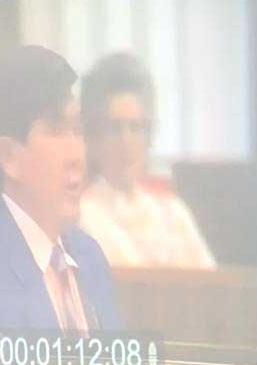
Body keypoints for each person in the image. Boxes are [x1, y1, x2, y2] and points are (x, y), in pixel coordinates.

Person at [0, 45, 122, 365]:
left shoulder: (90, 257)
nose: (78, 156)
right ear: (9, 157)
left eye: (78, 131)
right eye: (56, 131)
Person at [79, 52, 215, 269]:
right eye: (115, 129)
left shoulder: (174, 214)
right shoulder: (81, 219)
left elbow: (213, 282)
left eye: (136, 128)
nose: (126, 142)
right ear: (93, 137)